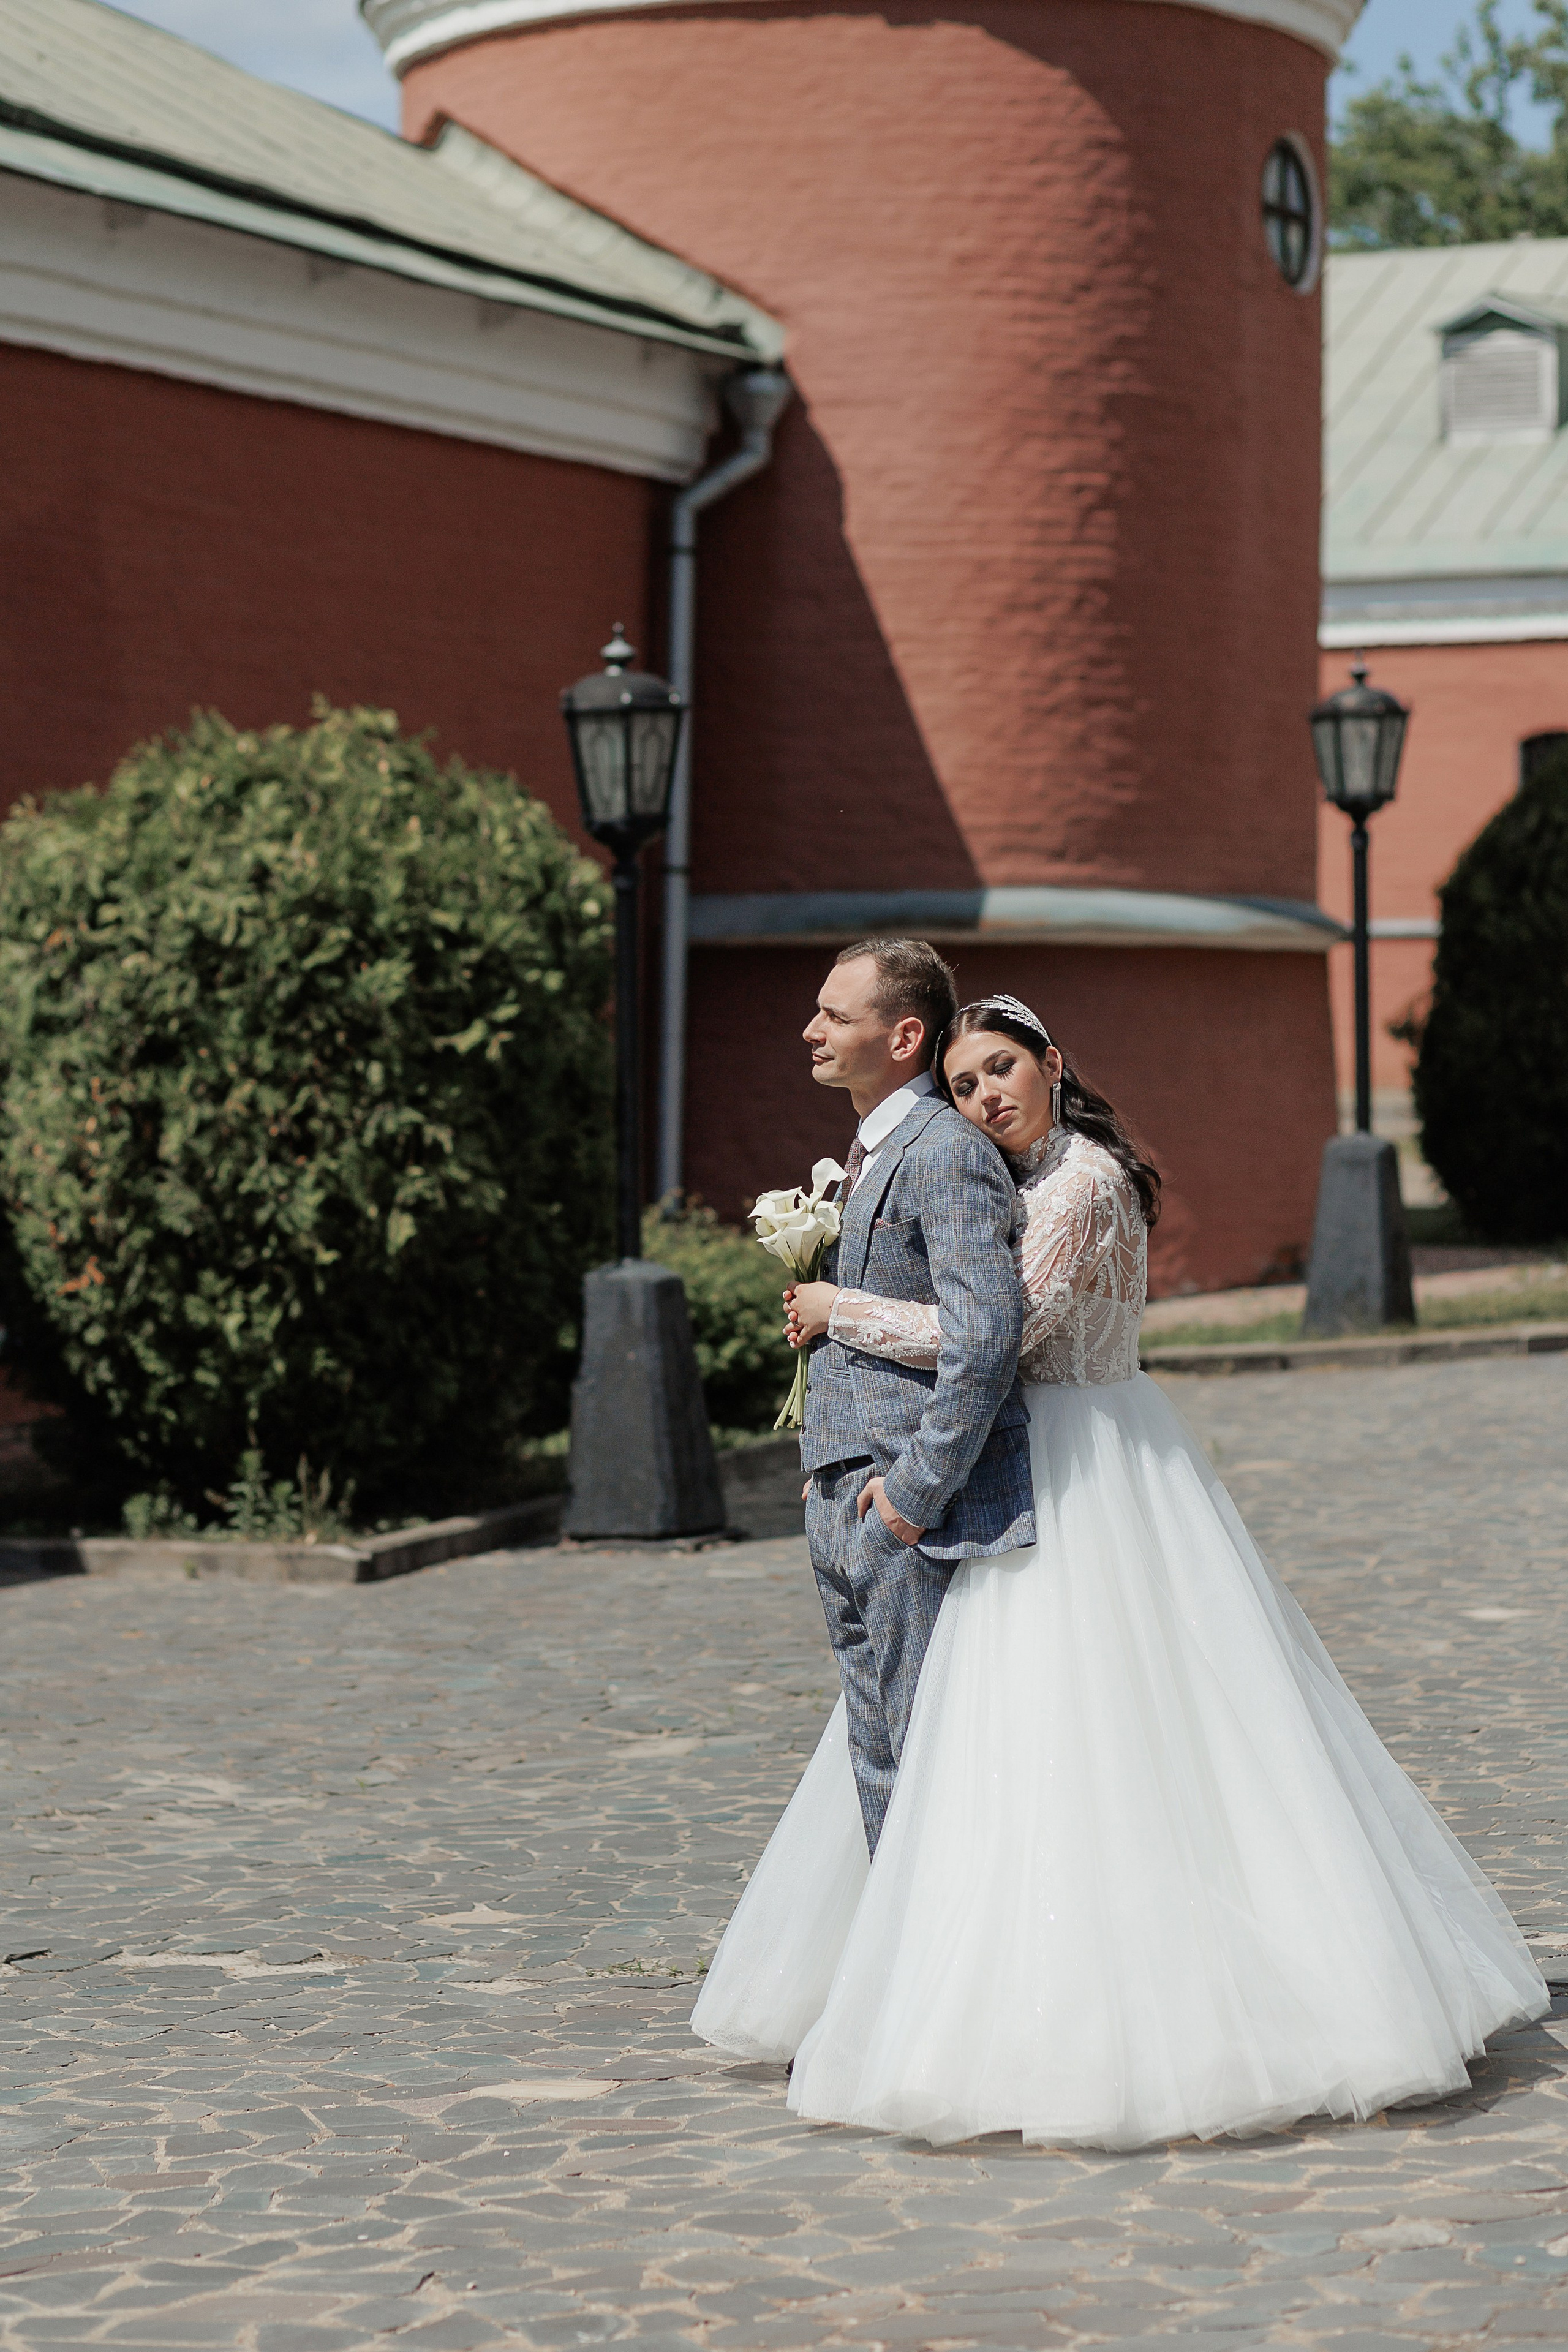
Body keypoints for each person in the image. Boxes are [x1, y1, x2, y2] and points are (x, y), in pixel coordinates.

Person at [691, 990, 1548, 2150]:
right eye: (964, 1085)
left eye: (1003, 1070)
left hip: (1087, 1459)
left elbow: (999, 1331)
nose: (986, 1096)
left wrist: (842, 1307)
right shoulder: (1020, 1177)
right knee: (978, 1731)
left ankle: (1137, 2007)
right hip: (1027, 1450)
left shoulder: (1085, 1182)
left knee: (1111, 1727)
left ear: (1052, 1063)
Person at [783, 938, 1034, 1855]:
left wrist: (913, 1496)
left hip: (906, 1507)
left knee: (925, 1747)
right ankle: (901, 1966)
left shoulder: (945, 1152)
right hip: (842, 1487)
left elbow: (986, 1335)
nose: (811, 1030)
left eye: (835, 1016)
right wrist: (822, 1463)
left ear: (903, 1037)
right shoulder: (871, 1150)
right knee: (877, 1747)